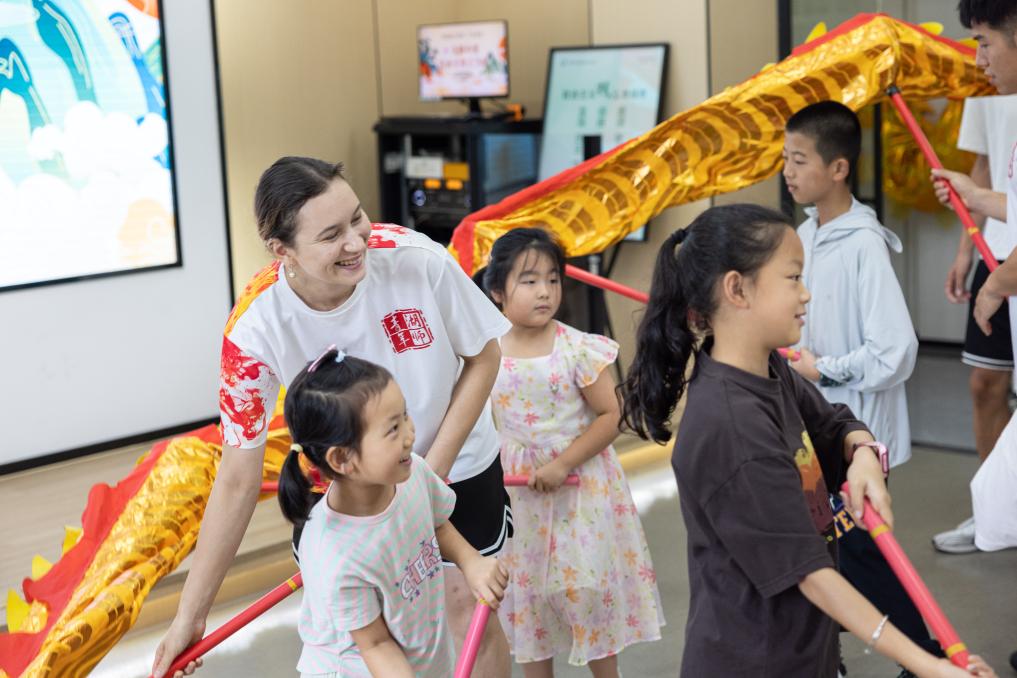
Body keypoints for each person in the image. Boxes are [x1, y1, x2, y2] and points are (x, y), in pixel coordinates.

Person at [151, 157, 514, 677]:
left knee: (466, 611)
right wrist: (191, 614)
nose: (357, 241)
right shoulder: (254, 328)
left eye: (356, 217)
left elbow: (484, 356)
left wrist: (425, 478)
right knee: (361, 638)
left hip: (450, 465)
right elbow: (236, 477)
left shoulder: (415, 259)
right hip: (346, 492)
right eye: (330, 235)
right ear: (282, 250)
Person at [618, 203, 996, 677]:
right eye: (793, 277)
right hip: (755, 661)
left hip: (802, 647)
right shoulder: (731, 427)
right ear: (737, 289)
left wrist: (864, 456)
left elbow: (836, 424)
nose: (806, 293)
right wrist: (929, 665)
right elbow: (811, 575)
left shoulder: (767, 368)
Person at [482, 229, 664, 677]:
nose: (545, 291)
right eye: (529, 281)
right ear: (497, 291)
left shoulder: (577, 348)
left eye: (553, 279)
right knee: (529, 600)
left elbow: (611, 415)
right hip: (520, 497)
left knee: (586, 594)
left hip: (580, 492)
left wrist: (562, 463)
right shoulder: (485, 353)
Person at [278, 348, 508, 677]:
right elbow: (374, 644)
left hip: (418, 655)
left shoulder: (412, 474)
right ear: (342, 459)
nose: (410, 435)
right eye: (392, 429)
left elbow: (437, 523)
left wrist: (471, 561)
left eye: (405, 416)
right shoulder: (335, 552)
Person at [928, 0, 1017, 559]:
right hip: (999, 252)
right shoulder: (988, 90)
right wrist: (969, 246)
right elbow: (987, 171)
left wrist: (997, 284)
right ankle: (997, 511)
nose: (978, 58)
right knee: (987, 384)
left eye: (984, 42)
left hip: (1009, 271)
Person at [782, 100, 918, 467]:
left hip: (860, 425)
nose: (787, 171)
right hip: (815, 418)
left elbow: (895, 349)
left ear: (839, 168)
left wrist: (824, 370)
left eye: (799, 161)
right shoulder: (805, 233)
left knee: (856, 502)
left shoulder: (864, 242)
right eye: (785, 159)